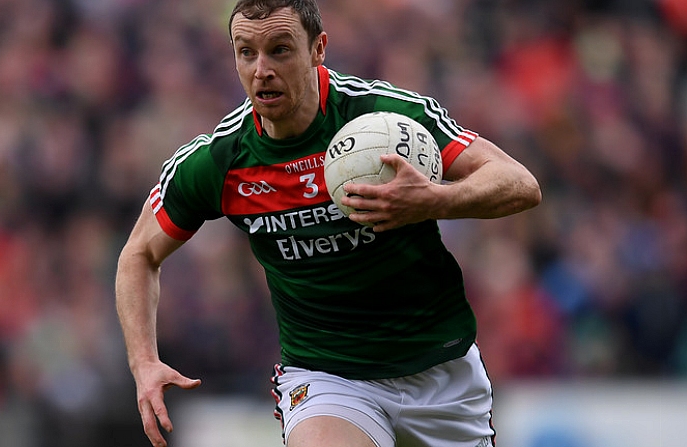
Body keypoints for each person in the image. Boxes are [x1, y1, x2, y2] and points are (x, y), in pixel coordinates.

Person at [115, 1, 541, 446]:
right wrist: (144, 362)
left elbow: (519, 183)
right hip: (327, 376)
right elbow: (139, 254)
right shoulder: (221, 160)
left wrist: (434, 200)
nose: (261, 69)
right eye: (246, 52)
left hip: (441, 372)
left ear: (318, 48)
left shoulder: (386, 118)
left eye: (279, 50)